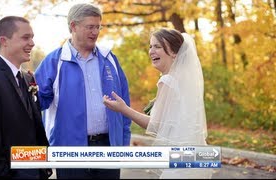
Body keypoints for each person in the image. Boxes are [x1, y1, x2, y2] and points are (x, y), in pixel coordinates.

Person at [34, 3, 131, 179]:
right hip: (70, 151)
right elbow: (37, 103)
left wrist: (123, 144)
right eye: (90, 27)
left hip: (108, 148)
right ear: (73, 26)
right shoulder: (54, 61)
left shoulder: (110, 58)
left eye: (98, 27)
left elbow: (125, 104)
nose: (95, 32)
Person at [103, 29, 213, 179]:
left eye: (158, 47)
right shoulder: (186, 80)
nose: (151, 51)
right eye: (150, 47)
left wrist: (123, 109)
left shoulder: (168, 81)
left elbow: (155, 125)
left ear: (174, 53)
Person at [0, 16, 52, 179]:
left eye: (32, 37)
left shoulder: (27, 78)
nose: (32, 43)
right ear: (4, 41)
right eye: (26, 37)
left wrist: (42, 166)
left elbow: (32, 125)